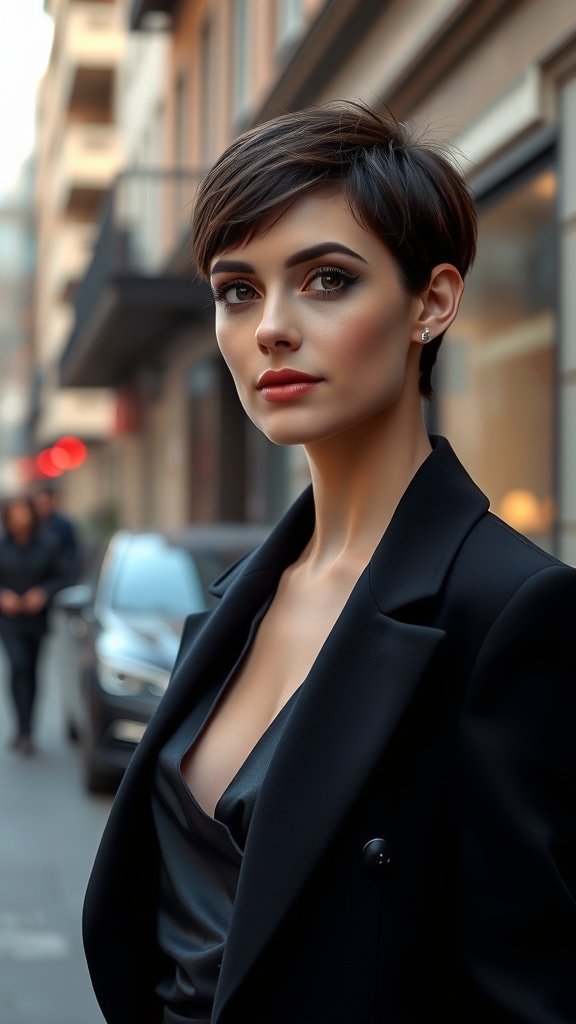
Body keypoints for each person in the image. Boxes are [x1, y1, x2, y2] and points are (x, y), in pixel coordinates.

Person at [83, 102, 576, 1023]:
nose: (271, 327)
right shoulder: (241, 599)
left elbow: (531, 993)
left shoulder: (512, 610)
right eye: (239, 289)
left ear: (431, 302)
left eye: (326, 279)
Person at [0, 495, 68, 754]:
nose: (20, 518)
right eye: (14, 513)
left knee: (31, 669)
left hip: (36, 619)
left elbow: (63, 576)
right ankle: (21, 726)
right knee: (17, 665)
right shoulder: (2, 545)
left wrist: (42, 593)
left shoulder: (49, 545)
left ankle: (28, 729)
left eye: (24, 512)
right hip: (8, 620)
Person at [33, 482, 79, 584]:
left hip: (57, 575)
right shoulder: (32, 524)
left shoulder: (64, 524)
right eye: (38, 504)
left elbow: (71, 553)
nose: (41, 508)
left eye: (44, 503)